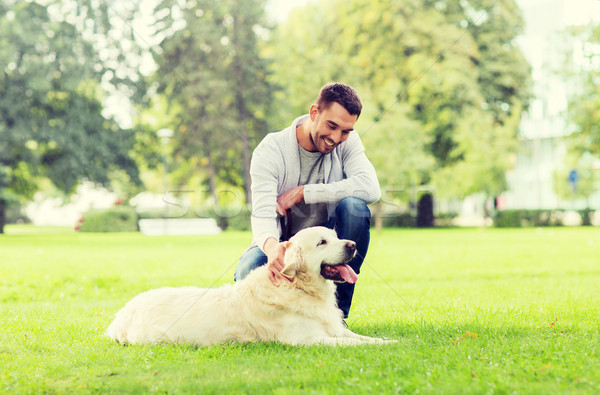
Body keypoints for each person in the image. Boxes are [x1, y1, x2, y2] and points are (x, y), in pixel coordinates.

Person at [234, 82, 380, 319]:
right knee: (248, 272)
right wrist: (273, 250)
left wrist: (306, 192)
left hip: (325, 247)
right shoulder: (271, 150)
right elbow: (262, 214)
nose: (336, 138)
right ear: (314, 113)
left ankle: (336, 319)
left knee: (355, 208)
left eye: (345, 131)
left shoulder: (348, 142)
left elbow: (370, 188)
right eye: (331, 126)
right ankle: (284, 320)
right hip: (281, 242)